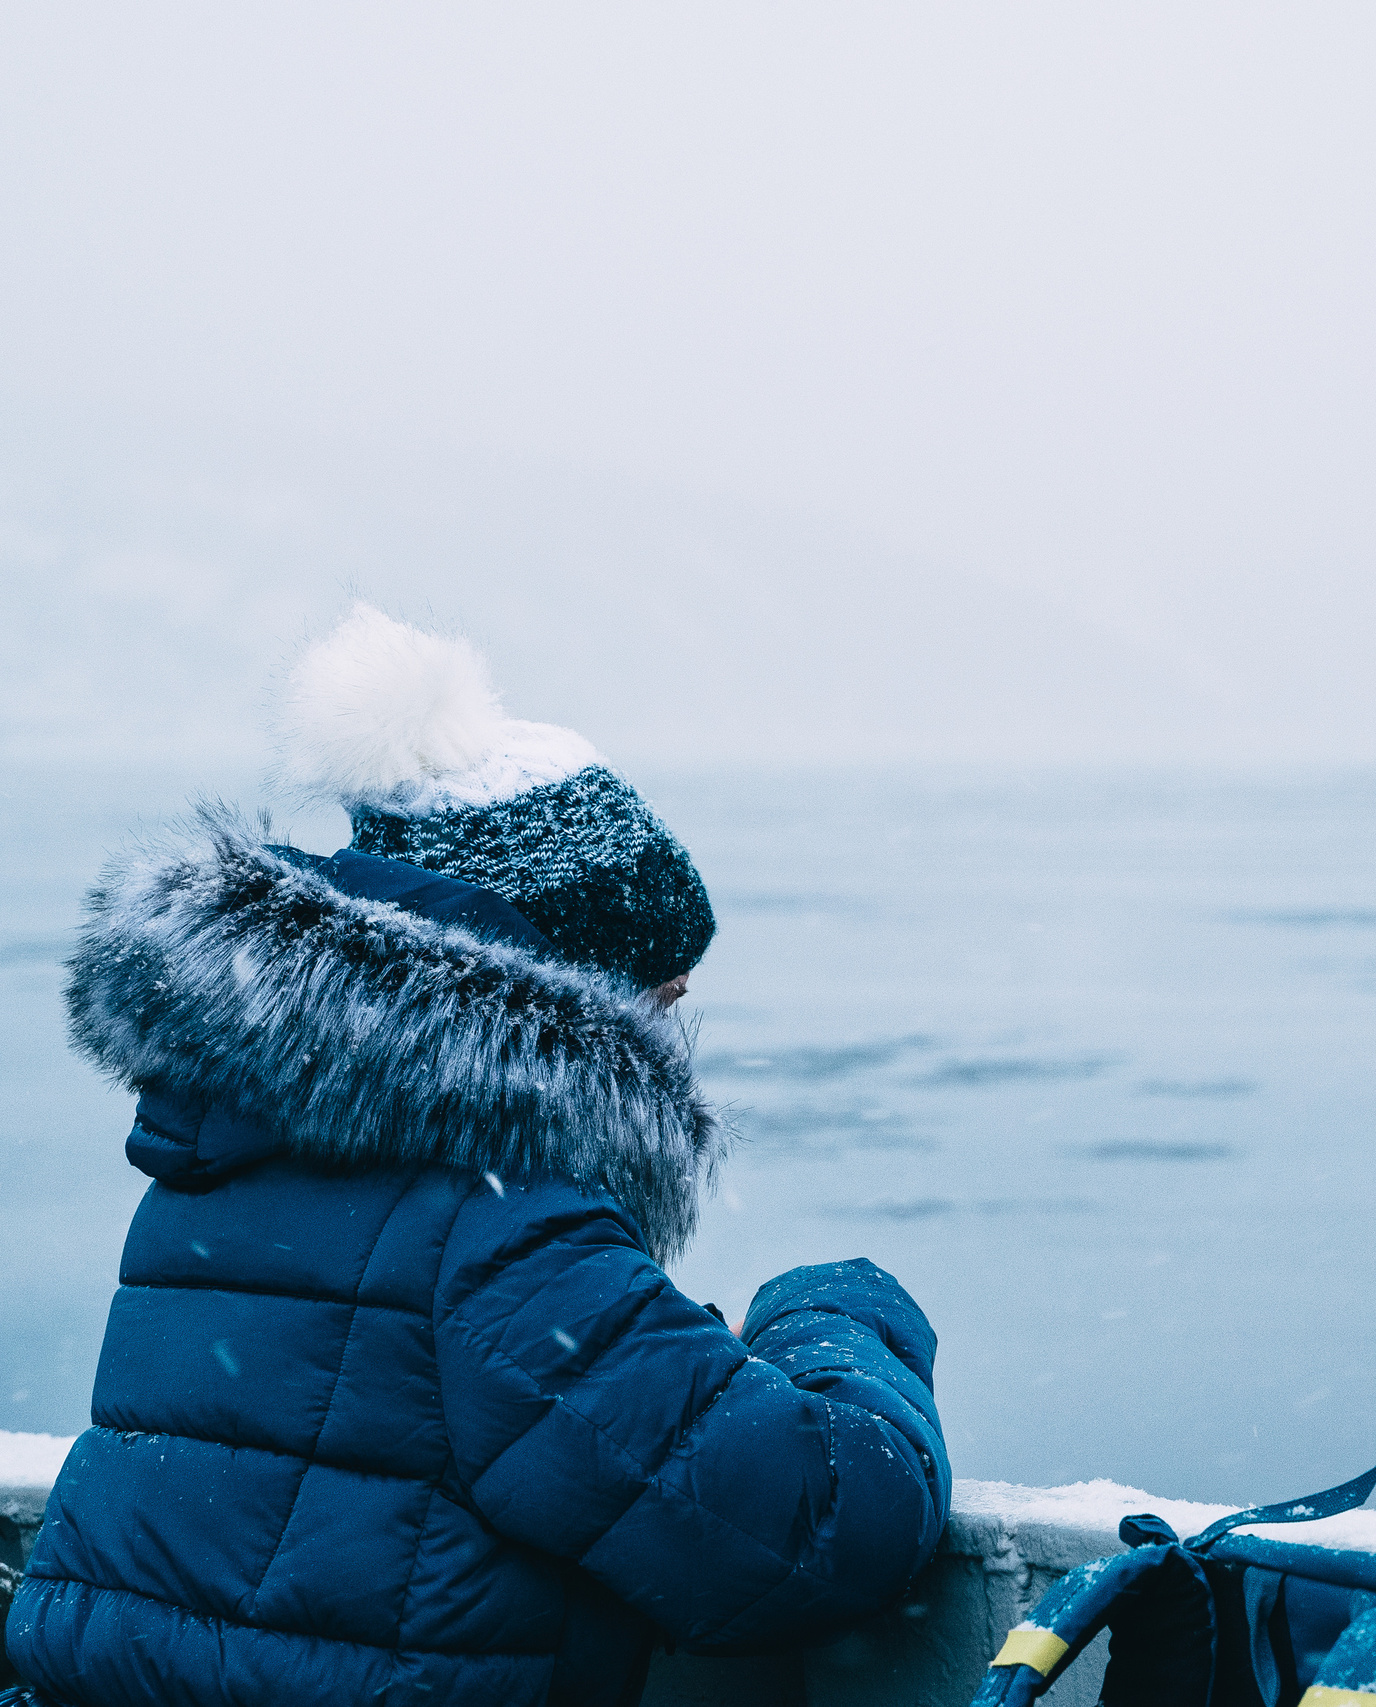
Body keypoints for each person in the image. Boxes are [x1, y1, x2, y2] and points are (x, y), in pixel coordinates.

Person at [2, 606, 950, 1706]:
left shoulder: (248, 1150)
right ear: (563, 997)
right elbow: (814, 1529)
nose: (669, 1042)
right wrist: (837, 1316)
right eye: (658, 996)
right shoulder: (499, 1226)